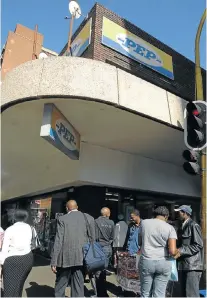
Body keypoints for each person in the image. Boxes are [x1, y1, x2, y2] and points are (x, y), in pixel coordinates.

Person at [50, 200, 95, 297]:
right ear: (77, 207)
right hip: (81, 257)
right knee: (78, 284)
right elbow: (92, 239)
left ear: (67, 208)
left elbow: (58, 241)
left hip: (64, 258)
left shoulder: (62, 219)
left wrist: (54, 261)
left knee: (61, 283)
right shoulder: (88, 218)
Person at [138, 206, 177, 298]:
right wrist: (177, 253)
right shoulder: (170, 228)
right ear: (166, 216)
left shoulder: (144, 223)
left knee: (145, 293)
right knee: (159, 294)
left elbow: (140, 242)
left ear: (154, 214)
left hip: (147, 261)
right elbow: (172, 251)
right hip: (163, 262)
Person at [0, 209, 34, 297]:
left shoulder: (10, 229)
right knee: (19, 286)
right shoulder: (29, 228)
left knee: (9, 289)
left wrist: (1, 264)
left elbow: (4, 249)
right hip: (27, 258)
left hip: (12, 261)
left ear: (14, 217)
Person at [174, 205, 203, 297]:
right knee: (184, 293)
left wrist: (181, 250)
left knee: (191, 294)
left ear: (185, 213)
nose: (177, 214)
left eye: (179, 212)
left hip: (192, 266)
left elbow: (198, 244)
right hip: (184, 265)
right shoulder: (182, 226)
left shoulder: (193, 225)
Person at [95, 207, 114, 297]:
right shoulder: (111, 223)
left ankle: (99, 292)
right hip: (107, 248)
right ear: (107, 214)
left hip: (97, 247)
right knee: (103, 271)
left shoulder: (95, 221)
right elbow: (112, 237)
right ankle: (103, 292)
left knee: (97, 271)